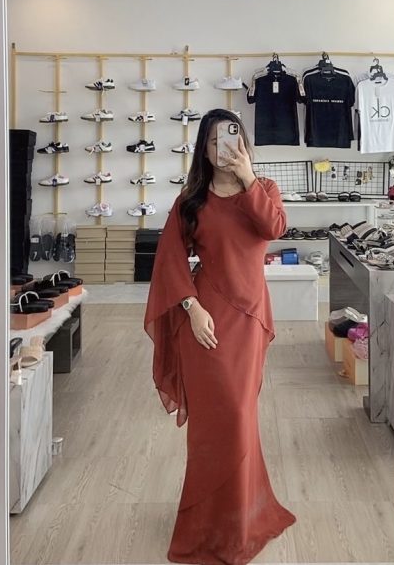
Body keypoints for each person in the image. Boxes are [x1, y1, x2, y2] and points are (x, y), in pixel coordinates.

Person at [144, 108, 296, 565]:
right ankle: (209, 526)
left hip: (250, 320)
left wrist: (247, 177)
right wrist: (191, 309)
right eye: (212, 142)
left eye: (230, 139)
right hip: (206, 322)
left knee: (241, 417)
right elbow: (169, 261)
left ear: (243, 142)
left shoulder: (264, 190)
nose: (222, 148)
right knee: (218, 422)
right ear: (203, 151)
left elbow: (274, 228)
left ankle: (240, 518)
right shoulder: (191, 200)